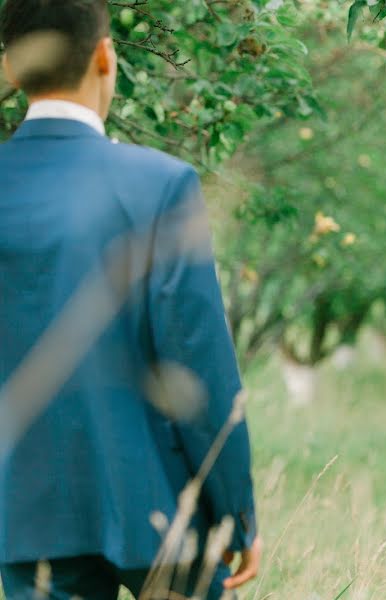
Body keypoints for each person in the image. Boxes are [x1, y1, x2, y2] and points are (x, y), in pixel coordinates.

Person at [0, 1, 261, 598]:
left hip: (26, 515)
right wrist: (237, 512)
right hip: (159, 507)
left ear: (12, 70)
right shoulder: (160, 185)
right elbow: (200, 366)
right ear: (105, 57)